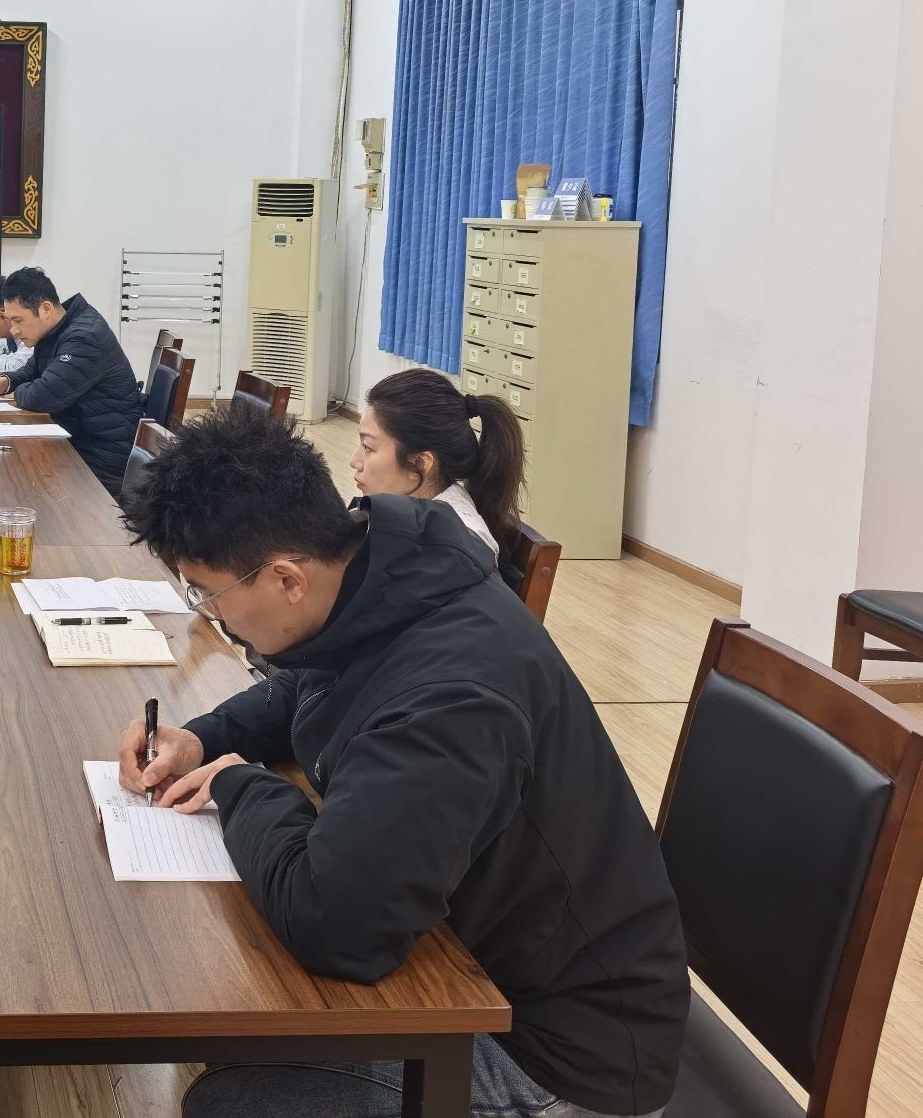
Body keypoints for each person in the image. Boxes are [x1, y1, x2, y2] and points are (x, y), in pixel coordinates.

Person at [116, 406, 686, 1118]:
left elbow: (337, 927)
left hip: (558, 1055)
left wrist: (239, 784)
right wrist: (202, 738)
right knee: (233, 1016)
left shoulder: (450, 697)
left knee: (237, 1097)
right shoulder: (378, 569)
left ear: (287, 578)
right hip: (481, 961)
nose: (211, 613)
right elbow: (309, 681)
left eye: (209, 593)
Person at [0, 267, 141, 494]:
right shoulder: (59, 329)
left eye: (18, 320)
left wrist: (17, 392)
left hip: (101, 460)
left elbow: (41, 396)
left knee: (12, 482)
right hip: (78, 442)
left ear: (45, 309)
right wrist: (6, 382)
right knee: (6, 472)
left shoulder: (83, 337)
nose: (14, 330)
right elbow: (32, 371)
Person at [350, 367, 526, 562]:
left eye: (367, 447)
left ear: (420, 463)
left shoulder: (451, 553)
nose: (354, 462)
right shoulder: (412, 516)